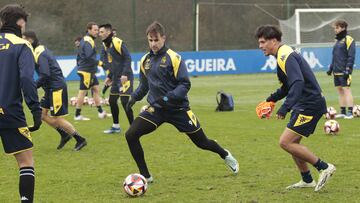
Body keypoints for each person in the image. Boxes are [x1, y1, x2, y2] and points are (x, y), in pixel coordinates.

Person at [125, 21, 239, 182]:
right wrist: (133, 97)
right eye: (150, 40)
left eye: (156, 40)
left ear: (163, 38)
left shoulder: (174, 58)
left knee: (202, 143)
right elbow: (144, 86)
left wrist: (167, 98)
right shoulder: (145, 61)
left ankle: (225, 154)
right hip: (156, 109)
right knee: (131, 134)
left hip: (178, 109)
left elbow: (185, 84)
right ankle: (146, 176)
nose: (153, 44)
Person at [255, 25, 336, 192]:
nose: (260, 46)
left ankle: (324, 167)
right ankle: (307, 180)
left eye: (263, 42)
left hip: (310, 105)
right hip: (304, 103)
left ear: (274, 40)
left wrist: (284, 108)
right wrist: (271, 100)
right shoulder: (282, 55)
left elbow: (298, 82)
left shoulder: (285, 55)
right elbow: (287, 86)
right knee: (293, 143)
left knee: (285, 142)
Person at [0, 4, 42, 202]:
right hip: (9, 112)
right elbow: (26, 79)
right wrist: (35, 108)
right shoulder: (22, 45)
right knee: (26, 162)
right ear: (20, 22)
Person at [23, 31, 87, 151]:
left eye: (24, 39)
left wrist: (34, 86)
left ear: (30, 40)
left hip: (56, 88)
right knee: (42, 114)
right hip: (50, 88)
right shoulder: (38, 50)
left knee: (57, 118)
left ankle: (80, 139)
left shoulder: (39, 52)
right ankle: (64, 134)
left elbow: (45, 74)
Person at [99, 24, 134, 134]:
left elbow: (128, 57)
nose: (100, 34)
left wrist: (124, 74)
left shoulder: (117, 42)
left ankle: (134, 128)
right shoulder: (106, 46)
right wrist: (109, 77)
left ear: (108, 32)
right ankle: (116, 126)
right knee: (112, 101)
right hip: (115, 78)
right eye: (99, 32)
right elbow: (112, 63)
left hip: (125, 77)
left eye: (102, 32)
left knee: (125, 102)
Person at [75, 22, 107, 120]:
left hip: (88, 70)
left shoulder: (86, 40)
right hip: (86, 71)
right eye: (95, 30)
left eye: (97, 30)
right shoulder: (88, 40)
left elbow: (81, 56)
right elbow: (89, 57)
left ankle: (101, 112)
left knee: (96, 89)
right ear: (89, 30)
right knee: (83, 92)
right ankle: (77, 115)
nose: (97, 32)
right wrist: (100, 63)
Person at [327, 20, 355, 119]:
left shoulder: (349, 39)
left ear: (342, 28)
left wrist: (348, 69)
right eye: (335, 28)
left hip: (344, 71)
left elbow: (351, 56)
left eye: (337, 27)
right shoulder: (337, 41)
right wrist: (331, 68)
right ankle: (343, 112)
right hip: (336, 71)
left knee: (346, 90)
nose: (335, 30)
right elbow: (334, 56)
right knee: (340, 91)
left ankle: (350, 113)